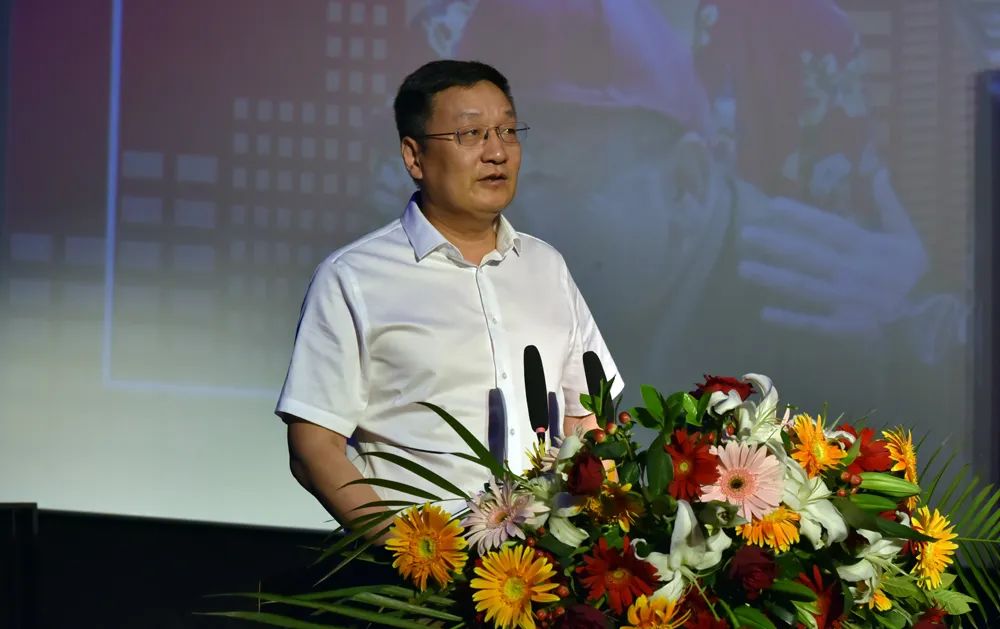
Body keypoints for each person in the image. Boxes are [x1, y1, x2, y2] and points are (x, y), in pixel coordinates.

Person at [274, 60, 623, 533]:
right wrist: (406, 551)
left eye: (507, 131)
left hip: (544, 563)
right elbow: (314, 448)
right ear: (414, 157)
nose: (496, 152)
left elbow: (587, 420)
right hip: (421, 565)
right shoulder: (353, 278)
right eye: (470, 134)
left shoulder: (546, 266)